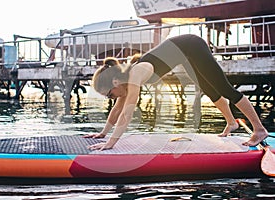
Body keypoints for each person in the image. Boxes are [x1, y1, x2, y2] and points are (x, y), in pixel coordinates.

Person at [85, 34, 269, 150]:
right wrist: (103, 133)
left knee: (224, 89)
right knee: (209, 90)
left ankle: (259, 130)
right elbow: (117, 110)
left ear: (115, 82)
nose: (112, 98)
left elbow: (126, 113)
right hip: (185, 56)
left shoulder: (134, 74)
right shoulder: (125, 81)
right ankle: (232, 123)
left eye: (109, 94)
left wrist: (111, 143)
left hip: (192, 46)